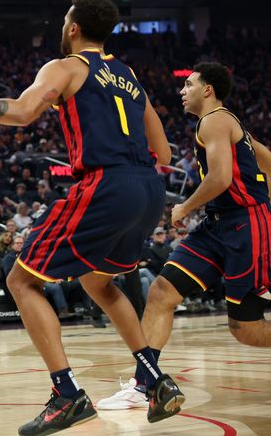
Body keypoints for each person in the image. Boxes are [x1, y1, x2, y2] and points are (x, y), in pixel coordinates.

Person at [0, 0, 184, 434]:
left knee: (21, 280)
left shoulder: (65, 67)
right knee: (98, 280)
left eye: (64, 20)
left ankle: (67, 394)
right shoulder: (130, 75)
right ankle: (154, 379)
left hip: (106, 184)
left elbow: (20, 111)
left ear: (73, 27)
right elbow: (165, 151)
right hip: (149, 188)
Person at [98, 62, 271, 411]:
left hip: (246, 226)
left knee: (244, 329)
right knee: (162, 291)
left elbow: (221, 177)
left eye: (189, 84)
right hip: (219, 225)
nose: (182, 90)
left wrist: (185, 207)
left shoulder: (216, 120)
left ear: (208, 89)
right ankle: (144, 383)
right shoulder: (225, 123)